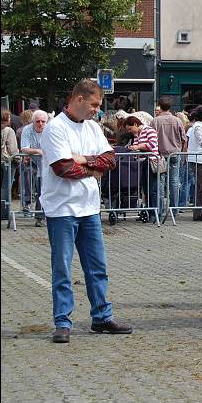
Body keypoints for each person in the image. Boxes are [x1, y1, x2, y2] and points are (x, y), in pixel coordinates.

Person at [39, 79, 132, 343]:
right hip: (62, 208)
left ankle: (102, 316)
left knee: (97, 266)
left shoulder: (92, 127)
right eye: (94, 104)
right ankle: (62, 321)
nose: (97, 110)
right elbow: (62, 168)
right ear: (78, 99)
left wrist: (82, 159)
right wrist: (93, 169)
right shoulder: (55, 128)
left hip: (89, 207)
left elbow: (110, 159)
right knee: (63, 268)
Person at [150, 96, 186, 216]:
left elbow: (151, 138)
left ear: (160, 105)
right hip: (175, 153)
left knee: (160, 183)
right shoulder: (177, 120)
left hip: (159, 155)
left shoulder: (155, 121)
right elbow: (183, 138)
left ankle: (159, 211)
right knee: (174, 182)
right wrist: (181, 150)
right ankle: (174, 210)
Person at [124, 116, 163, 222]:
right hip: (143, 162)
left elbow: (152, 145)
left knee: (153, 190)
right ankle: (149, 213)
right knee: (146, 190)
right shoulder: (137, 134)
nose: (130, 132)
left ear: (136, 124)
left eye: (130, 129)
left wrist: (137, 147)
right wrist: (132, 148)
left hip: (152, 162)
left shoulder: (150, 130)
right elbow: (137, 145)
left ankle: (155, 214)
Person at [20, 110, 49, 226]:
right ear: (33, 122)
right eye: (38, 121)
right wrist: (38, 151)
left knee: (44, 189)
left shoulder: (50, 129)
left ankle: (44, 216)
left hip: (48, 164)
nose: (40, 124)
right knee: (35, 188)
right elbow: (24, 148)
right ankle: (35, 213)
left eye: (43, 121)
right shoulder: (27, 130)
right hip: (32, 162)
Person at [0, 109, 20, 220]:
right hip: (6, 162)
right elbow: (12, 149)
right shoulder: (8, 130)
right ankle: (3, 213)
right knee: (5, 187)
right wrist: (18, 160)